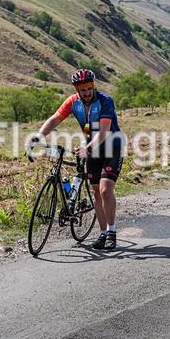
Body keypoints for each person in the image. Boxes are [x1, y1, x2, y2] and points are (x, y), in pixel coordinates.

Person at [27, 69, 124, 251]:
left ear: (93, 86)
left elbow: (103, 132)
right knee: (95, 192)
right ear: (76, 90)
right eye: (82, 90)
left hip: (112, 148)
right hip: (92, 151)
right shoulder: (73, 102)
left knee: (105, 190)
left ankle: (111, 232)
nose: (86, 93)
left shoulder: (105, 101)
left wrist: (86, 148)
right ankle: (102, 233)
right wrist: (38, 136)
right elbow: (55, 119)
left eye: (89, 88)